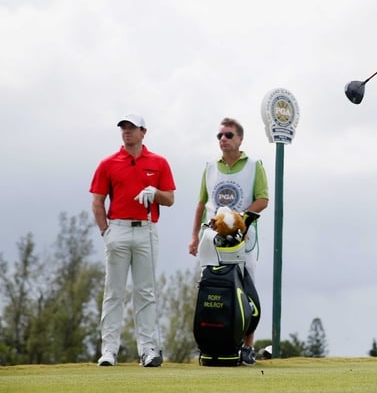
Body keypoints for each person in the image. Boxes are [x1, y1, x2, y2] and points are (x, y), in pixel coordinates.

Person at [90, 113, 176, 367]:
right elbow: (97, 201)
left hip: (146, 229)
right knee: (114, 292)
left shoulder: (159, 162)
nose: (126, 131)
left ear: (143, 132)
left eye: (131, 127)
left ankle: (148, 350)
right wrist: (106, 232)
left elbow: (170, 199)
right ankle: (109, 350)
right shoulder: (108, 163)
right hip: (117, 229)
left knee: (145, 292)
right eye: (123, 128)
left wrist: (155, 192)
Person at [188, 117, 269, 366]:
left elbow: (262, 199)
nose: (223, 139)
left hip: (243, 238)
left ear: (240, 139)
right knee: (212, 290)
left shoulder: (254, 166)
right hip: (211, 240)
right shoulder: (210, 167)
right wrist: (194, 236)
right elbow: (202, 204)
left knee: (247, 290)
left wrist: (239, 219)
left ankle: (247, 346)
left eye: (229, 135)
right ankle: (215, 344)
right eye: (220, 136)